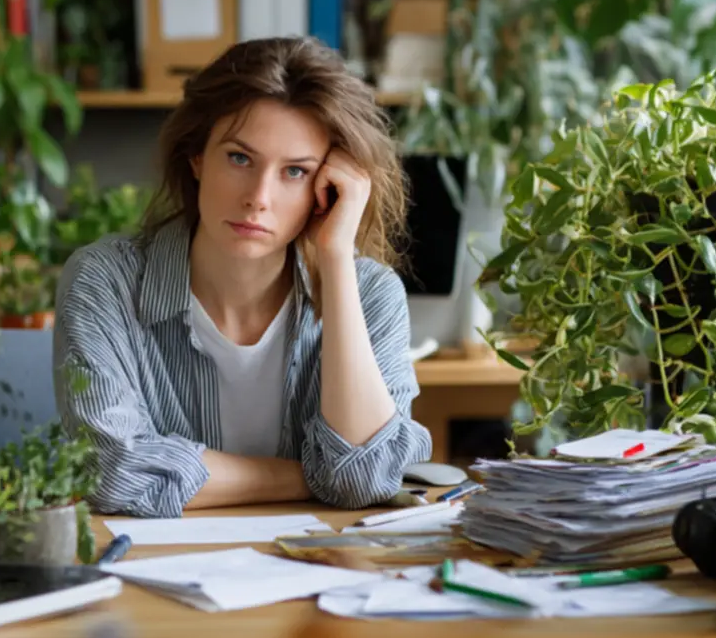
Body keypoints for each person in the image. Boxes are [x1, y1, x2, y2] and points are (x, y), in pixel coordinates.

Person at [51, 36, 432, 518]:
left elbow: (364, 477)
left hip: (319, 574)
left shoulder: (371, 295)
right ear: (196, 158)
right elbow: (110, 470)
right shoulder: (104, 282)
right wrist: (310, 476)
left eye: (295, 172)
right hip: (156, 575)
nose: (258, 196)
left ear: (328, 189)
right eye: (239, 158)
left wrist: (335, 259)